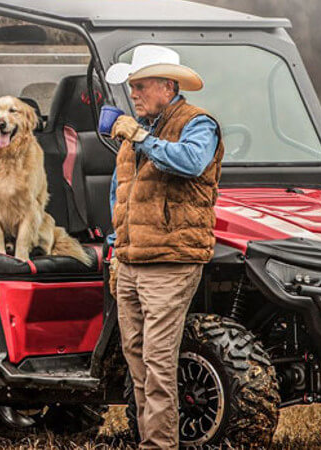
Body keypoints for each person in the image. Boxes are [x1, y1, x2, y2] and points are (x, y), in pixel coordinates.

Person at [104, 44, 224, 450]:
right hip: (132, 260)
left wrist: (139, 137)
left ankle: (159, 446)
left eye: (139, 86)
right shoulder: (138, 130)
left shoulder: (198, 124)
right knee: (137, 359)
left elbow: (191, 162)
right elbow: (121, 197)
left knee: (157, 361)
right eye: (132, 87)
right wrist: (114, 250)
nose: (133, 95)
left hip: (172, 262)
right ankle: (150, 440)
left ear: (166, 86)